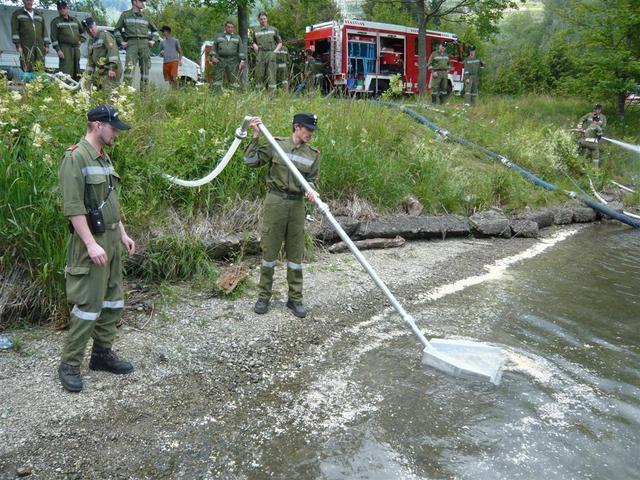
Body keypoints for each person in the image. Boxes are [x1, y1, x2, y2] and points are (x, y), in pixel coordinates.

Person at [57, 104, 136, 393]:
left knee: (113, 300)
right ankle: (69, 363)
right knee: (88, 305)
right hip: (91, 242)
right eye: (113, 127)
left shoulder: (104, 159)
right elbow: (73, 206)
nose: (116, 132)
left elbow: (110, 201)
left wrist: (123, 234)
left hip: (112, 240)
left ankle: (102, 354)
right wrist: (90, 244)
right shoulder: (75, 158)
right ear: (96, 125)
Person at [243, 113, 321, 318]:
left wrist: (311, 190)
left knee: (295, 254)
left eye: (313, 131)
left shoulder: (313, 154)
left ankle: (295, 299)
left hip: (297, 205)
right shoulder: (276, 145)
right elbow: (250, 161)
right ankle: (263, 297)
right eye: (307, 129)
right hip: (275, 201)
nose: (311, 134)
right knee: (269, 251)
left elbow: (312, 180)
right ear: (296, 127)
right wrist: (256, 136)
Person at [113, 0, 160, 88]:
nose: (143, 3)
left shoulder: (146, 17)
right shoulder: (125, 15)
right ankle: (125, 95)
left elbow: (155, 31)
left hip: (144, 44)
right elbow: (116, 30)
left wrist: (153, 40)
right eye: (141, 1)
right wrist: (121, 41)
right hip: (131, 44)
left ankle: (144, 97)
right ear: (134, 2)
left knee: (145, 70)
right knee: (129, 70)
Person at [82, 17, 122, 91]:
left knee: (108, 93)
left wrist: (111, 68)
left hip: (111, 70)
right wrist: (87, 74)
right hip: (102, 71)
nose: (90, 31)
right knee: (94, 90)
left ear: (95, 25)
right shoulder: (91, 41)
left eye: (91, 27)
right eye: (87, 29)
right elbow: (91, 61)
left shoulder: (105, 35)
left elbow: (113, 52)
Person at [10, 0, 50, 73]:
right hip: (26, 46)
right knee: (27, 65)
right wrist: (18, 45)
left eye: (31, 0)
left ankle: (39, 83)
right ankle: (27, 84)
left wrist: (46, 45)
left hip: (39, 46)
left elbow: (44, 31)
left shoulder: (39, 14)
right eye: (27, 0)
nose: (29, 2)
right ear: (23, 1)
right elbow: (15, 31)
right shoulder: (17, 14)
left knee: (40, 66)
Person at [50, 1, 85, 80]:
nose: (62, 10)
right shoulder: (55, 22)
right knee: (65, 70)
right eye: (60, 8)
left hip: (76, 49)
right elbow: (53, 38)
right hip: (64, 49)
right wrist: (58, 50)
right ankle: (65, 89)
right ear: (58, 10)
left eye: (64, 8)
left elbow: (83, 32)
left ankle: (76, 89)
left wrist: (81, 40)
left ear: (67, 8)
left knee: (77, 69)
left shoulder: (75, 20)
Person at [209, 20, 246, 91]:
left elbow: (241, 50)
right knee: (217, 79)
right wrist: (213, 57)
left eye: (232, 27)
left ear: (233, 28)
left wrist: (242, 61)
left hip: (233, 61)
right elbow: (214, 48)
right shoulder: (218, 36)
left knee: (233, 79)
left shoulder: (237, 37)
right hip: (220, 60)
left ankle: (233, 95)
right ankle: (216, 94)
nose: (230, 29)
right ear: (225, 27)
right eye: (228, 27)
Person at [251, 11, 282, 92]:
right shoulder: (256, 30)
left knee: (271, 75)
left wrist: (274, 52)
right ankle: (259, 95)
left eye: (264, 19)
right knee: (259, 75)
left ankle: (271, 96)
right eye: (261, 19)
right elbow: (253, 42)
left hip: (270, 53)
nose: (263, 20)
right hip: (260, 54)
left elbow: (280, 43)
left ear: (267, 19)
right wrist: (255, 47)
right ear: (259, 20)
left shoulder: (273, 29)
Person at [159, 26, 183, 90]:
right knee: (169, 79)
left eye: (163, 31)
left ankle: (176, 91)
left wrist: (180, 60)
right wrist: (161, 53)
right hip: (166, 62)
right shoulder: (162, 42)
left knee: (174, 77)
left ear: (168, 32)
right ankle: (172, 92)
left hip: (174, 61)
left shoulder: (175, 41)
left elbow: (180, 52)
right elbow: (160, 54)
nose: (162, 33)